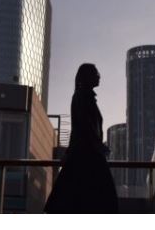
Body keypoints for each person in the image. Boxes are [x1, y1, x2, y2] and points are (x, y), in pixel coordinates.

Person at [44, 63, 118, 213]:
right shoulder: (82, 97)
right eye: (96, 73)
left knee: (78, 200)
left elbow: (79, 128)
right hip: (88, 156)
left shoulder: (84, 96)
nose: (99, 76)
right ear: (87, 76)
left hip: (85, 155)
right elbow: (84, 126)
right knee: (103, 199)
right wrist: (99, 146)